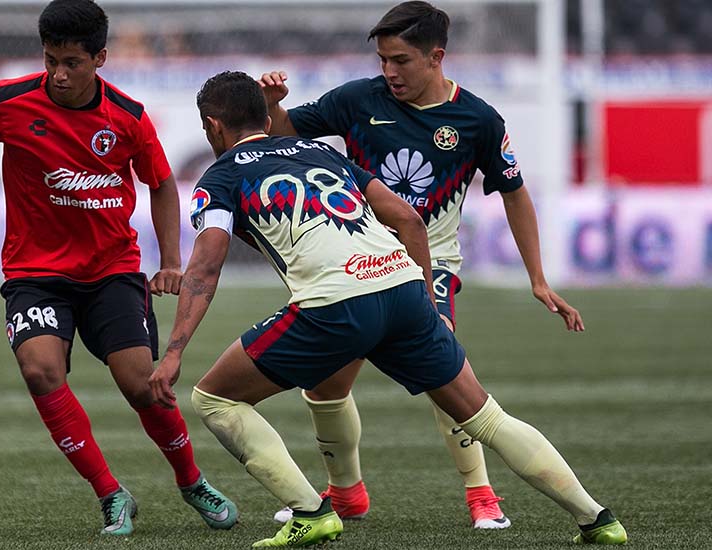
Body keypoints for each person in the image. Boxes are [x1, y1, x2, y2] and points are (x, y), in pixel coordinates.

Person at [148, 70, 626, 547]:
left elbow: (205, 268)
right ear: (263, 116)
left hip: (335, 303)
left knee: (214, 398)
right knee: (487, 417)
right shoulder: (322, 153)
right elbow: (409, 219)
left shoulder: (220, 178)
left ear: (212, 126)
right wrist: (428, 300)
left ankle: (311, 512)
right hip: (402, 287)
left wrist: (173, 353)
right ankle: (598, 518)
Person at [0, 0, 237, 537]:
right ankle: (112, 495)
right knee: (41, 369)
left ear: (100, 59)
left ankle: (190, 481)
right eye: (51, 61)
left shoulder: (129, 118)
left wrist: (171, 261)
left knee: (142, 385)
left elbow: (160, 182)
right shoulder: (8, 102)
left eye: (71, 63)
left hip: (112, 270)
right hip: (34, 272)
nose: (59, 74)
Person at [258, 0, 585, 529]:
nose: (389, 72)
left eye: (401, 61)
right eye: (384, 60)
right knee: (324, 385)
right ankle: (346, 495)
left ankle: (482, 495)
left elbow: (514, 193)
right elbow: (282, 138)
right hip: (356, 262)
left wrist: (538, 278)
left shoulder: (476, 119)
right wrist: (274, 105)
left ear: (436, 57)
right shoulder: (356, 100)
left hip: (426, 267)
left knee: (446, 379)